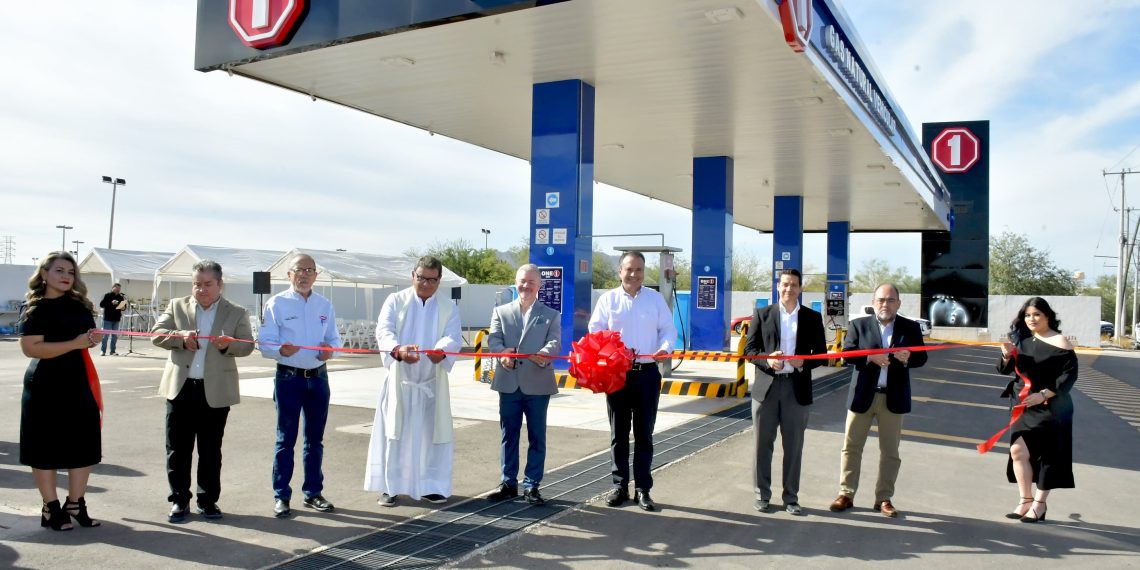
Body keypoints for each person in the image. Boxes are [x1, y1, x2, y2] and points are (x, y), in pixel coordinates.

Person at [152, 260, 254, 523]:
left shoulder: (236, 312)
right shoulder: (177, 305)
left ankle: (208, 501)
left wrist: (228, 345)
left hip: (216, 391)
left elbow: (247, 346)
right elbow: (156, 334)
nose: (202, 290)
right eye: (197, 284)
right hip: (181, 388)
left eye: (208, 284)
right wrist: (179, 337)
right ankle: (179, 501)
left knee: (210, 450)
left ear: (220, 284)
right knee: (177, 449)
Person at [365, 256, 462, 507]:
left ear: (439, 280)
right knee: (395, 436)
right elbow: (384, 331)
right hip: (401, 384)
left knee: (431, 438)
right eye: (421, 278)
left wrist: (441, 349)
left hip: (431, 385)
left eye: (432, 280)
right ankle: (391, 486)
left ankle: (432, 485)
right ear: (412, 275)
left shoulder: (448, 306)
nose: (426, 284)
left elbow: (453, 337)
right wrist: (397, 349)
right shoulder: (395, 301)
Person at [18, 252, 104, 531]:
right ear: (44, 274)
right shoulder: (35, 307)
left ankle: (76, 504)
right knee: (45, 446)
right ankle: (50, 507)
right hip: (44, 383)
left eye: (70, 271)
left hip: (78, 381)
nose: (66, 276)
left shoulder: (80, 305)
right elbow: (31, 348)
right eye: (59, 270)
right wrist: (76, 342)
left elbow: (84, 342)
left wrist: (90, 341)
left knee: (83, 444)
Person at [588, 251, 676, 511]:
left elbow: (669, 330)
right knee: (619, 434)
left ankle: (642, 489)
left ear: (644, 272)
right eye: (629, 269)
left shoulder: (655, 299)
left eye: (639, 269)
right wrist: (613, 353)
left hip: (648, 374)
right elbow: (595, 333)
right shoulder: (608, 300)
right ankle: (619, 486)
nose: (634, 274)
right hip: (617, 375)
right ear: (620, 271)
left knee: (644, 434)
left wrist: (665, 348)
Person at [830, 283, 927, 518]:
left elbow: (921, 358)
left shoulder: (910, 328)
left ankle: (883, 498)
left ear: (898, 303)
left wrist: (907, 358)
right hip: (862, 396)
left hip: (892, 398)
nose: (886, 304)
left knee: (890, 452)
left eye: (891, 300)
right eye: (881, 300)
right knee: (851, 447)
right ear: (874, 303)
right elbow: (847, 354)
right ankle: (846, 493)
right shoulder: (858, 325)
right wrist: (870, 357)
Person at [258, 254, 342, 518]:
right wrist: (279, 349)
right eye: (298, 270)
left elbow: (335, 341)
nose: (304, 275)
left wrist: (330, 351)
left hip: (318, 378)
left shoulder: (324, 305)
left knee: (314, 440)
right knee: (286, 439)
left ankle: (313, 493)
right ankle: (281, 495)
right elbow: (264, 343)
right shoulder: (276, 304)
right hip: (289, 378)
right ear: (289, 275)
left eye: (309, 270)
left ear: (316, 275)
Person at [743, 268, 827, 516]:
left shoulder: (812, 318)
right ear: (778, 287)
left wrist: (805, 362)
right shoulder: (762, 314)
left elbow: (820, 355)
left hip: (796, 388)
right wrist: (767, 360)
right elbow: (750, 350)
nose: (789, 289)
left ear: (800, 288)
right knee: (762, 445)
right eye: (785, 284)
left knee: (794, 446)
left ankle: (791, 497)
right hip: (766, 389)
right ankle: (762, 495)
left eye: (794, 285)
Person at [486, 264, 561, 505]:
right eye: (521, 281)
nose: (525, 286)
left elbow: (555, 343)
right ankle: (508, 482)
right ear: (515, 282)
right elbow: (493, 339)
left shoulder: (550, 314)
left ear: (539, 285)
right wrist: (501, 352)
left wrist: (544, 353)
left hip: (538, 384)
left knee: (537, 436)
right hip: (508, 383)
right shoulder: (501, 311)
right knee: (509, 435)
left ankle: (532, 485)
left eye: (530, 282)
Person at [998, 297, 1077, 523]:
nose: (1031, 319)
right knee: (1017, 452)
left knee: (1048, 457)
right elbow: (1004, 370)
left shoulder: (1061, 342)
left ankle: (1039, 505)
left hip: (1051, 407)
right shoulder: (1021, 340)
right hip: (1023, 405)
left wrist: (1043, 394)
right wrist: (1006, 354)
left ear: (1047, 316)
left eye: (1036, 315)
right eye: (1027, 315)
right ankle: (1025, 500)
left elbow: (1069, 376)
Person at [98, 283, 126, 356]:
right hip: (108, 318)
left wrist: (122, 307)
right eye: (116, 288)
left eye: (119, 289)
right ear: (113, 288)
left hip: (116, 318)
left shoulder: (121, 297)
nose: (118, 290)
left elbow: (123, 307)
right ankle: (103, 351)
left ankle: (112, 351)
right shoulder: (107, 295)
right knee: (105, 335)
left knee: (114, 336)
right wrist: (111, 302)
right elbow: (101, 304)